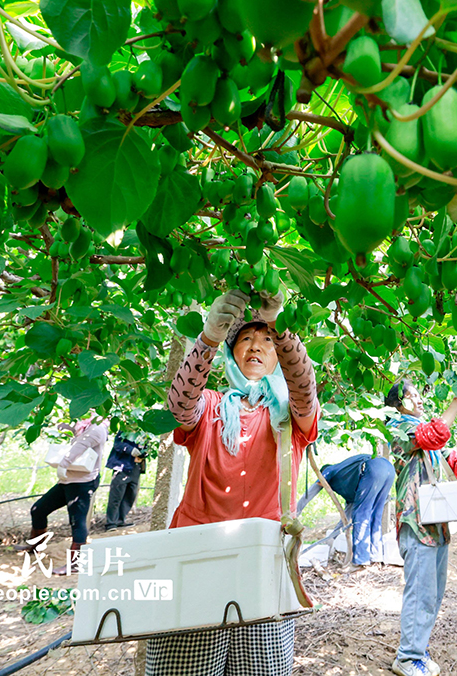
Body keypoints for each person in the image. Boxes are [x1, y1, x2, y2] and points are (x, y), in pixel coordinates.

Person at [146, 287, 319, 676]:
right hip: (195, 557)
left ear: (278, 357)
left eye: (266, 341)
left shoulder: (289, 415)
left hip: (264, 559)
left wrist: (281, 327)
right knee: (185, 668)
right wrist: (207, 338)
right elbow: (178, 408)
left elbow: (305, 388)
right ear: (231, 351)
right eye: (245, 339)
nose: (256, 346)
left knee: (261, 670)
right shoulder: (209, 405)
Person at [384, 380, 457, 676]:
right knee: (420, 590)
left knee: (433, 592)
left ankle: (417, 648)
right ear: (399, 403)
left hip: (436, 524)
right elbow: (434, 435)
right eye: (412, 395)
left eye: (418, 394)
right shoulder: (399, 428)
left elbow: (444, 454)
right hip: (416, 522)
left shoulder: (419, 434)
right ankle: (407, 657)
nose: (419, 399)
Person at [15, 416, 109, 575]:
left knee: (77, 521)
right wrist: (68, 428)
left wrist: (64, 464)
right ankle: (36, 544)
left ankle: (75, 563)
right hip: (68, 479)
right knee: (38, 509)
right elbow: (78, 439)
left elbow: (80, 446)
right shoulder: (85, 425)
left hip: (82, 481)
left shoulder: (97, 428)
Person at [295, 453, 396, 567]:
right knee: (375, 515)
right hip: (389, 469)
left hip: (372, 468)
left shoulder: (329, 470)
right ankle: (376, 557)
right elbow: (346, 519)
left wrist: (295, 512)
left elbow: (311, 491)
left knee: (361, 515)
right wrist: (332, 537)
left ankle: (360, 562)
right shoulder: (351, 485)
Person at [105, 430, 150, 530]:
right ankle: (111, 523)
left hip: (136, 466)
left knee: (130, 494)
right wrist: (131, 450)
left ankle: (121, 520)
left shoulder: (144, 431)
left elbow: (146, 446)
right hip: (122, 466)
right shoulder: (125, 428)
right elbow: (118, 444)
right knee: (116, 495)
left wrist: (144, 453)